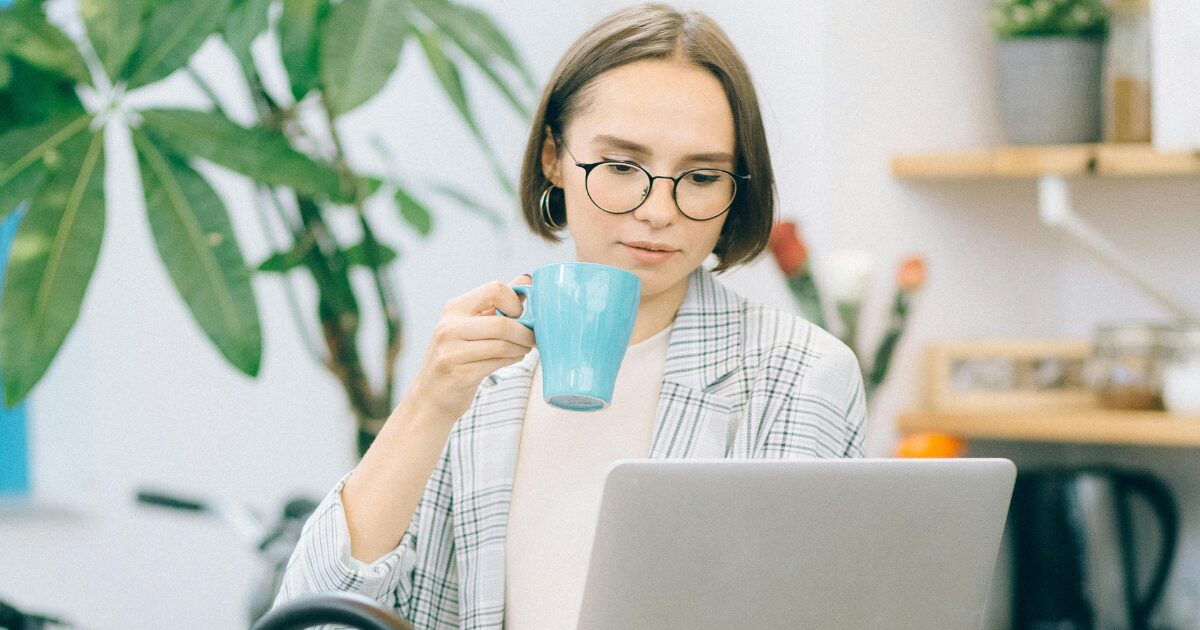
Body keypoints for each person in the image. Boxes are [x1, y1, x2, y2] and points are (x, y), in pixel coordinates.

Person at [274, 4, 868, 629]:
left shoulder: (799, 377)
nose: (659, 211)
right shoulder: (477, 378)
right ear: (554, 157)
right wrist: (427, 405)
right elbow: (312, 618)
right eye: (620, 167)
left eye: (699, 176)